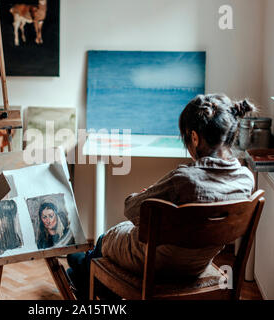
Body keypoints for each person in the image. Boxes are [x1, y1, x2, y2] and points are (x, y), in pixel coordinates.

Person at [67, 93, 257, 300]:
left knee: (108, 237)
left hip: (157, 263)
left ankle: (84, 271)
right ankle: (86, 271)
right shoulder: (246, 180)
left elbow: (131, 209)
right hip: (198, 264)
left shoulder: (184, 180)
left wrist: (146, 195)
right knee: (115, 240)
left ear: (194, 137)